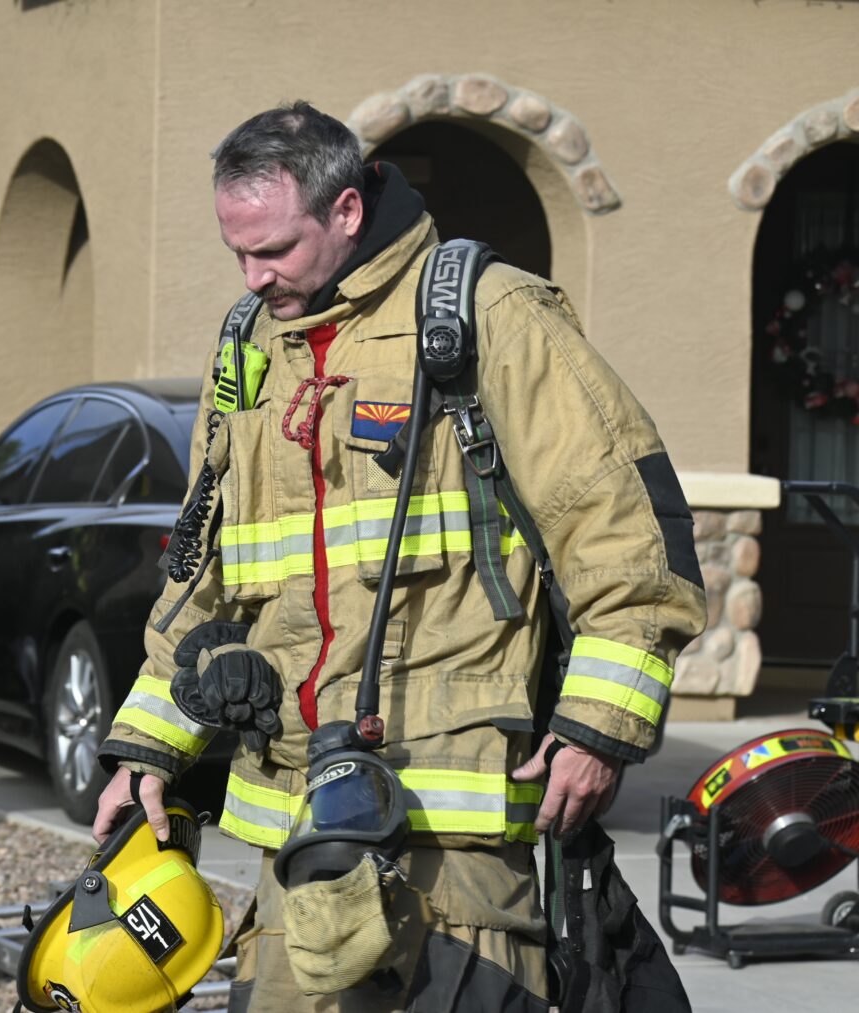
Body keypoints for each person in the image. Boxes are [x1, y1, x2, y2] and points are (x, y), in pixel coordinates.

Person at [93, 102, 706, 1012]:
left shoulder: (488, 314)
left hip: (452, 851)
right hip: (294, 838)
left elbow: (624, 533)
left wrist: (596, 730)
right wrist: (149, 747)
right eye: (238, 254)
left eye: (275, 249)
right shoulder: (250, 344)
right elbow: (200, 577)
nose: (254, 277)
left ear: (345, 210)